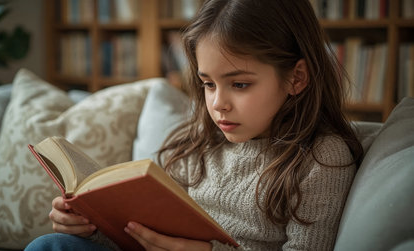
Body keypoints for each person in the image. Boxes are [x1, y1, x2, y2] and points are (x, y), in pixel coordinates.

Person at [26, 0, 363, 250]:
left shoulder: (322, 158)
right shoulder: (197, 142)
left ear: (296, 77)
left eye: (240, 84)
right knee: (52, 245)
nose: (218, 103)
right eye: (208, 84)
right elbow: (141, 230)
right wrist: (88, 223)